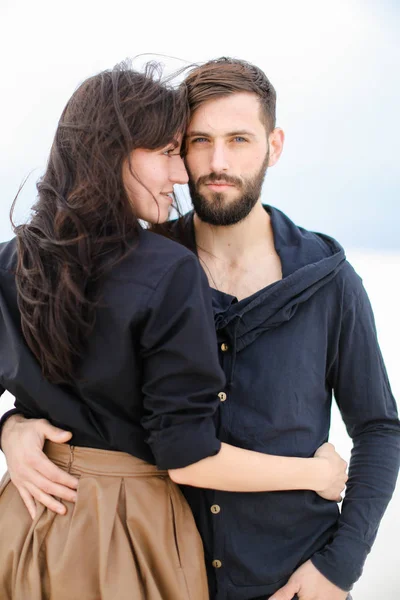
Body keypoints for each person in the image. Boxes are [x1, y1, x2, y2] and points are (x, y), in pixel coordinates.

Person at [0, 61, 348, 600]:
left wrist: (11, 429)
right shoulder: (167, 269)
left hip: (22, 520)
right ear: (110, 152)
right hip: (128, 529)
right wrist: (315, 476)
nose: (182, 173)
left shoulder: (12, 261)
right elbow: (186, 456)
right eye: (168, 153)